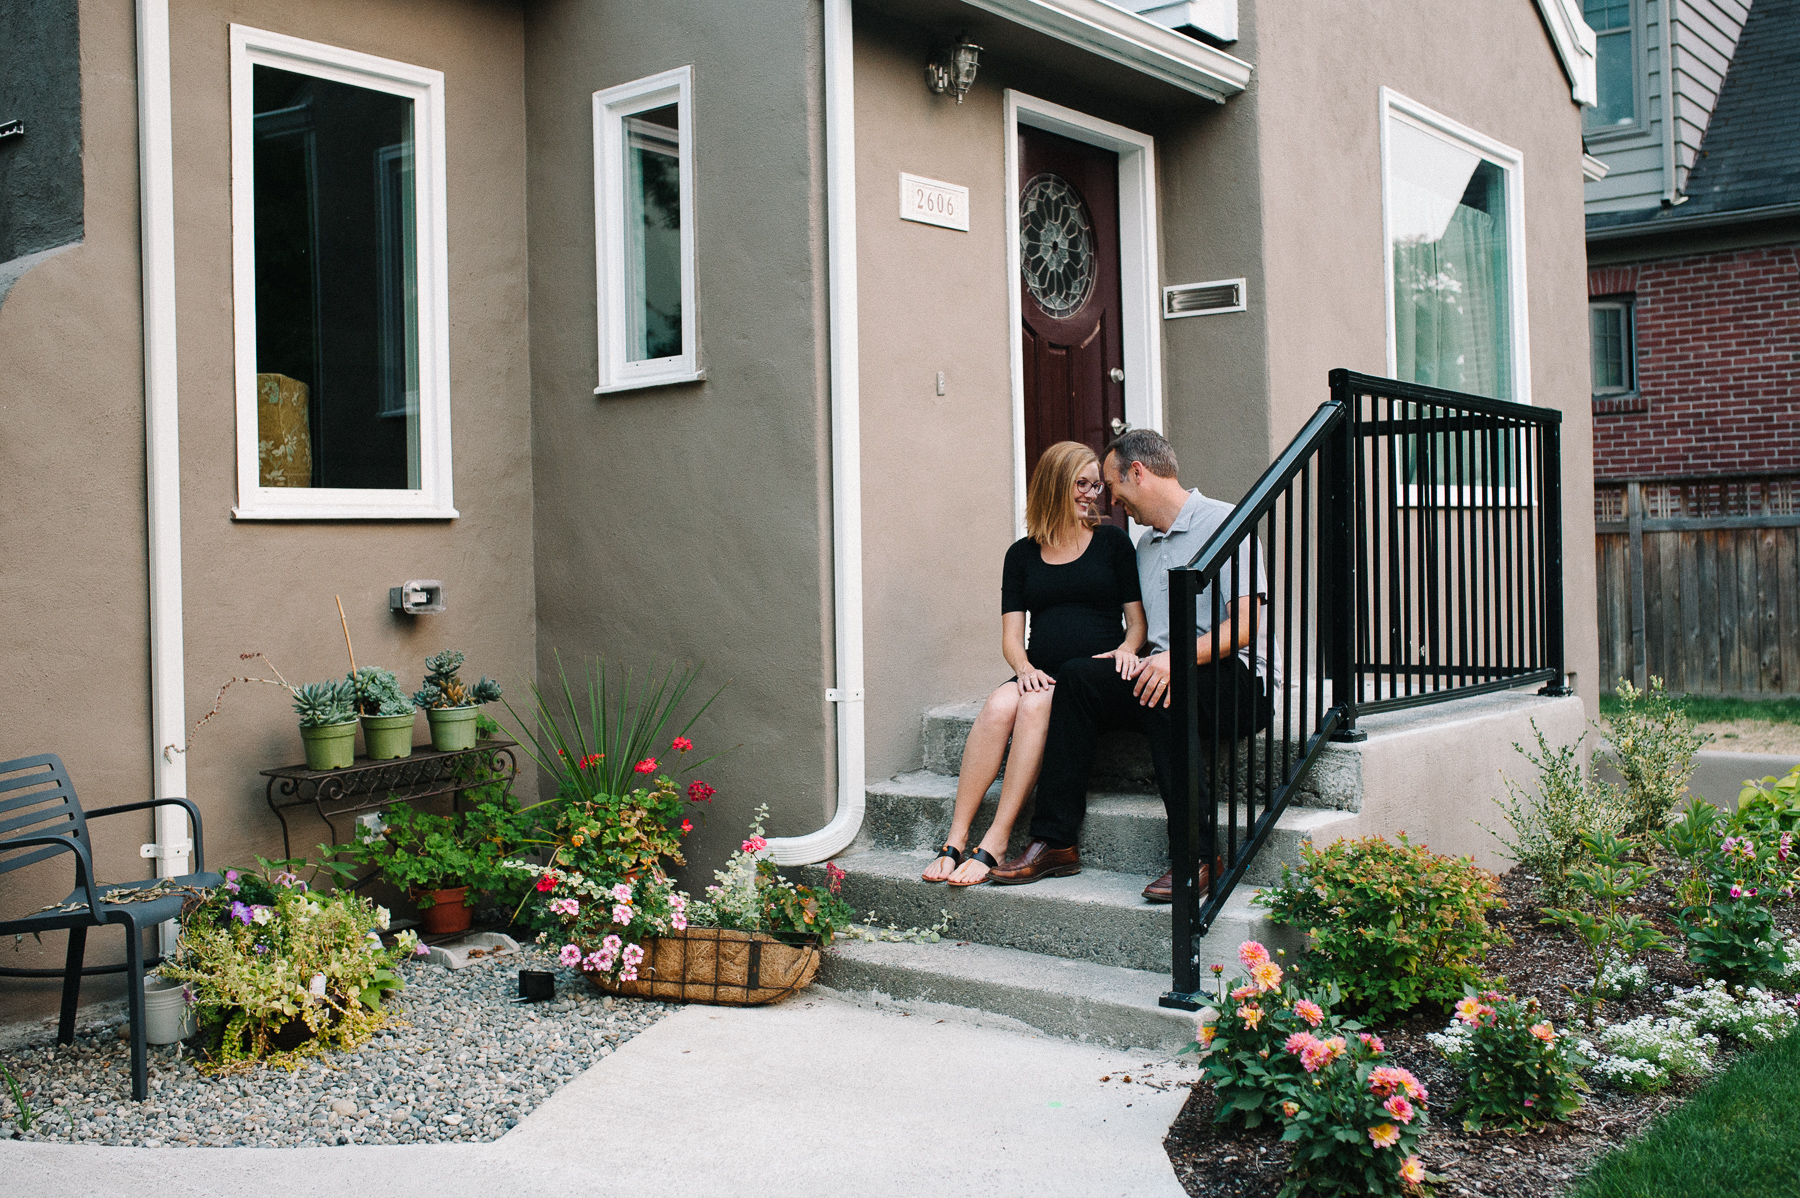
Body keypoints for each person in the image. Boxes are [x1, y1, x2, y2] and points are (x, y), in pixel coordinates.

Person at [988, 429, 1273, 900]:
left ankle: (1199, 857)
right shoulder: (1145, 547)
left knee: (1164, 690)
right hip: (1163, 669)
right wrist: (1133, 655)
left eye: (1113, 487)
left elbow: (1245, 627)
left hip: (1238, 679)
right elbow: (1140, 630)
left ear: (1137, 473)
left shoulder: (1226, 522)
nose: (1114, 503)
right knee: (1077, 677)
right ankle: (1055, 842)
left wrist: (1170, 660)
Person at [921, 440, 1147, 886]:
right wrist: (1024, 670)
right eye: (1080, 483)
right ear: (1055, 484)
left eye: (1096, 485)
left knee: (1034, 706)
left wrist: (1127, 649)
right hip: (1039, 669)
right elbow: (1011, 636)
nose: (1092, 494)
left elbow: (1136, 624)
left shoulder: (1113, 543)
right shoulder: (1022, 554)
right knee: (997, 707)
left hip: (1086, 679)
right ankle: (955, 838)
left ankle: (997, 841)